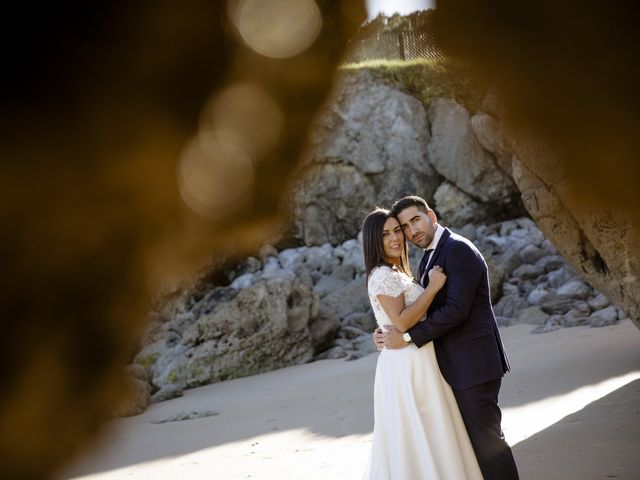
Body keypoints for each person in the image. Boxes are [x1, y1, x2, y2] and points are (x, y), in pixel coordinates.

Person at [375, 195, 519, 480]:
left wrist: (405, 338)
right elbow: (420, 310)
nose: (411, 231)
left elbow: (456, 310)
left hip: (473, 364)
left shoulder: (457, 250)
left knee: (488, 443)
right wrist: (384, 328)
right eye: (404, 227)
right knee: (473, 445)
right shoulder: (429, 256)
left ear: (431, 215)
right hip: (453, 366)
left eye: (415, 220)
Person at [361, 208, 483, 480]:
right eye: (385, 234)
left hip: (417, 356)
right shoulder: (382, 274)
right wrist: (432, 288)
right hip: (407, 363)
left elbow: (394, 318)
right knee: (420, 430)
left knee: (430, 428)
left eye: (397, 231)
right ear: (373, 241)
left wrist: (383, 330)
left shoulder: (395, 271)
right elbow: (402, 322)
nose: (395, 238)